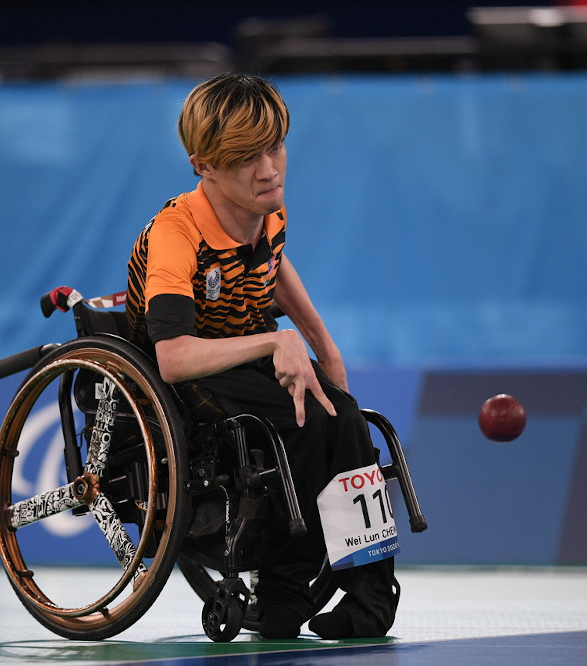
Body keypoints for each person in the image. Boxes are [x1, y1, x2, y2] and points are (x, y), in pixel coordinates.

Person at [125, 73, 399, 639]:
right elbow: (172, 357)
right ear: (203, 165)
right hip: (186, 371)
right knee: (297, 421)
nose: (269, 169)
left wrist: (325, 347)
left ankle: (372, 599)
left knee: (344, 417)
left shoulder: (267, 210)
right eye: (246, 158)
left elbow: (273, 272)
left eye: (273, 147)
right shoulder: (178, 233)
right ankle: (283, 592)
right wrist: (276, 341)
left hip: (242, 356)